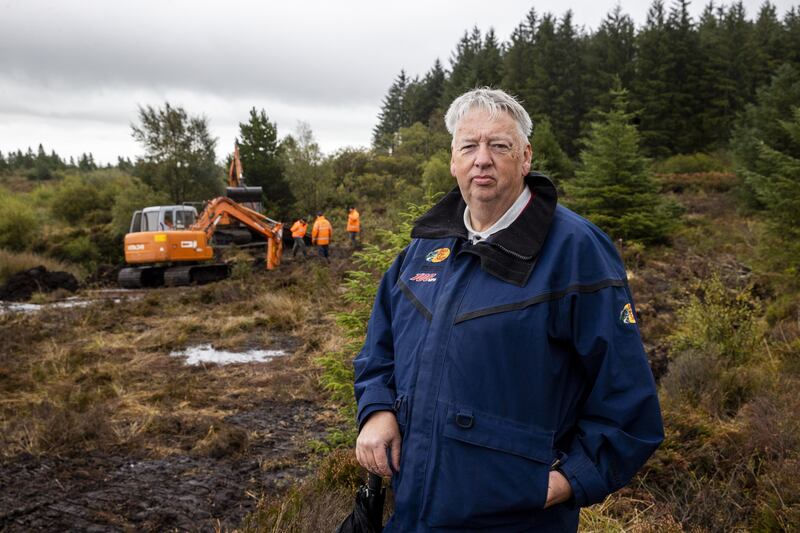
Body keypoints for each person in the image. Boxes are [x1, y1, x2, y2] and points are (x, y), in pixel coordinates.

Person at [353, 88, 664, 532]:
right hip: (413, 513)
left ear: (525, 157)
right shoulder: (423, 249)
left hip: (518, 520)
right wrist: (378, 410)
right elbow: (378, 347)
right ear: (453, 160)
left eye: (499, 145)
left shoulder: (576, 252)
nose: (482, 159)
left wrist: (563, 483)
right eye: (469, 146)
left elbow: (629, 403)